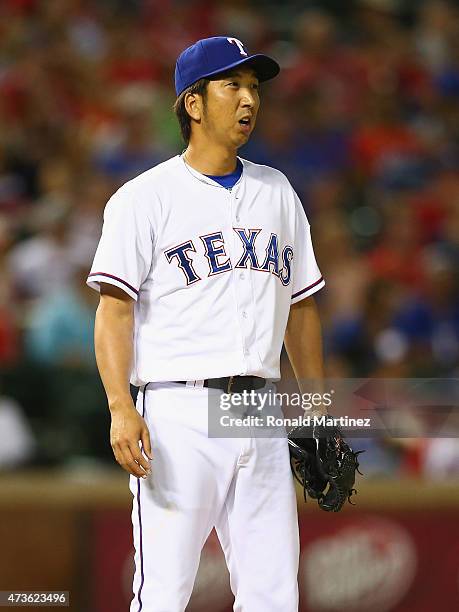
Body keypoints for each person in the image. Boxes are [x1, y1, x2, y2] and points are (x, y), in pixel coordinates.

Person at [88, 36, 325, 612]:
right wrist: (121, 405)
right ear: (193, 104)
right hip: (178, 410)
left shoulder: (277, 192)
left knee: (274, 596)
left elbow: (301, 306)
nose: (249, 99)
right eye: (232, 85)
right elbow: (114, 309)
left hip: (262, 408)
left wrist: (317, 405)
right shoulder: (144, 198)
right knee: (165, 593)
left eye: (253, 87)